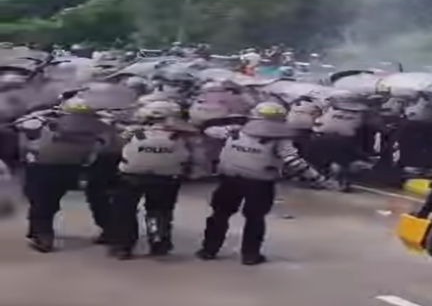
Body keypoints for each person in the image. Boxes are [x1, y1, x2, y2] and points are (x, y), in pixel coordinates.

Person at [196, 102, 325, 265]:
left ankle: (208, 250)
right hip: (260, 183)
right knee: (255, 219)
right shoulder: (280, 138)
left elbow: (208, 129)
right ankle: (250, 256)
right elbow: (293, 161)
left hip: (230, 179)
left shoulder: (235, 130)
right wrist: (316, 178)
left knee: (220, 215)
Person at [19, 97, 111, 253]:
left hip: (44, 166)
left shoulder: (45, 120)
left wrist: (45, 112)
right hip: (75, 166)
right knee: (96, 198)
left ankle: (43, 236)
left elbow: (22, 123)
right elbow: (108, 140)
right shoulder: (97, 124)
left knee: (42, 203)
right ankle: (111, 231)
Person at [109, 101, 195, 260]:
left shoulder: (134, 132)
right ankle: (158, 242)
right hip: (166, 179)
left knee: (124, 212)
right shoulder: (179, 134)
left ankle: (123, 246)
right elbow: (191, 153)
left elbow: (116, 145)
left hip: (131, 177)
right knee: (158, 212)